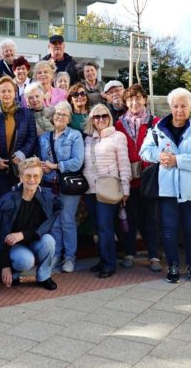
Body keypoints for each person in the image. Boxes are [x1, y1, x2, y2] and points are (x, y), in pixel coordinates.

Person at [140, 88, 191, 284]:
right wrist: (158, 156)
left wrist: (177, 160)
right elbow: (144, 151)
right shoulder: (157, 130)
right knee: (169, 230)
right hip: (167, 190)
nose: (179, 110)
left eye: (183, 106)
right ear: (170, 107)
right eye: (175, 106)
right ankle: (172, 265)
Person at [0, 157, 61, 290]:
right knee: (25, 260)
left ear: (40, 178)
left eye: (36, 176)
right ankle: (15, 272)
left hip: (33, 239)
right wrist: (4, 265)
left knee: (49, 241)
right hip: (11, 246)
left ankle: (44, 276)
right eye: (28, 175)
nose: (31, 179)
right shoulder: (8, 202)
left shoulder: (46, 198)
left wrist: (23, 234)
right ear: (21, 177)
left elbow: (46, 225)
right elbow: (0, 235)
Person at [115, 84, 161, 272]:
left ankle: (154, 255)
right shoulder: (118, 123)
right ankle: (129, 252)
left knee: (150, 218)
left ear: (144, 100)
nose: (134, 102)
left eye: (138, 98)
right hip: (128, 179)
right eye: (130, 99)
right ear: (126, 102)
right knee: (129, 217)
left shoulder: (155, 121)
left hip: (148, 177)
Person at [83, 104, 132, 278]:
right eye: (96, 117)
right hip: (90, 189)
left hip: (109, 188)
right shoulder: (88, 138)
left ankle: (109, 264)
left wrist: (125, 188)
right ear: (92, 120)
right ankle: (103, 260)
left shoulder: (118, 137)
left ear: (109, 117)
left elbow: (124, 164)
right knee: (98, 227)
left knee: (105, 227)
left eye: (104, 116)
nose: (100, 119)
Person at [38, 101, 84, 273]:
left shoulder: (75, 136)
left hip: (68, 186)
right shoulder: (44, 137)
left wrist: (55, 166)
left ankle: (70, 257)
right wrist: (42, 165)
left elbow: (77, 162)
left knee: (67, 221)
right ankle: (56, 254)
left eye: (64, 114)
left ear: (69, 118)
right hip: (49, 185)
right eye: (58, 113)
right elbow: (41, 160)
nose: (60, 117)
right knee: (55, 223)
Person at [0, 76, 37, 200]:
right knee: (4, 201)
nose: (6, 94)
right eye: (3, 91)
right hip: (0, 168)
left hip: (21, 167)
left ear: (15, 93)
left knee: (20, 200)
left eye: (9, 91)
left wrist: (21, 155)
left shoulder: (26, 113)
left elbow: (32, 137)